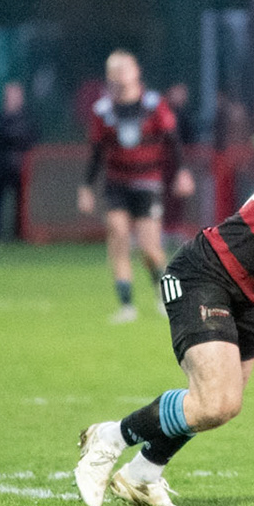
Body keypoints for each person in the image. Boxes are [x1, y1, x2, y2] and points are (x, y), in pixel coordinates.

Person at [74, 180, 254, 506]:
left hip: (251, 297)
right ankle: (110, 438)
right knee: (214, 400)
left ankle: (142, 473)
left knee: (223, 406)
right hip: (205, 274)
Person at [78, 51, 194, 322]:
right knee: (117, 236)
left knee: (149, 248)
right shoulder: (102, 111)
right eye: (114, 71)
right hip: (116, 183)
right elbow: (97, 152)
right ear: (108, 76)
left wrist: (181, 173)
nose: (119, 75)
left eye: (124, 69)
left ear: (136, 72)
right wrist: (86, 187)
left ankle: (168, 297)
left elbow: (172, 141)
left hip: (147, 183)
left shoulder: (154, 105)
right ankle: (126, 306)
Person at [0, 80, 38, 238]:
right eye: (10, 94)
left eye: (17, 95)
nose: (13, 98)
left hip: (21, 167)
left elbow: (31, 138)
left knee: (20, 204)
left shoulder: (28, 118)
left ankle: (20, 235)